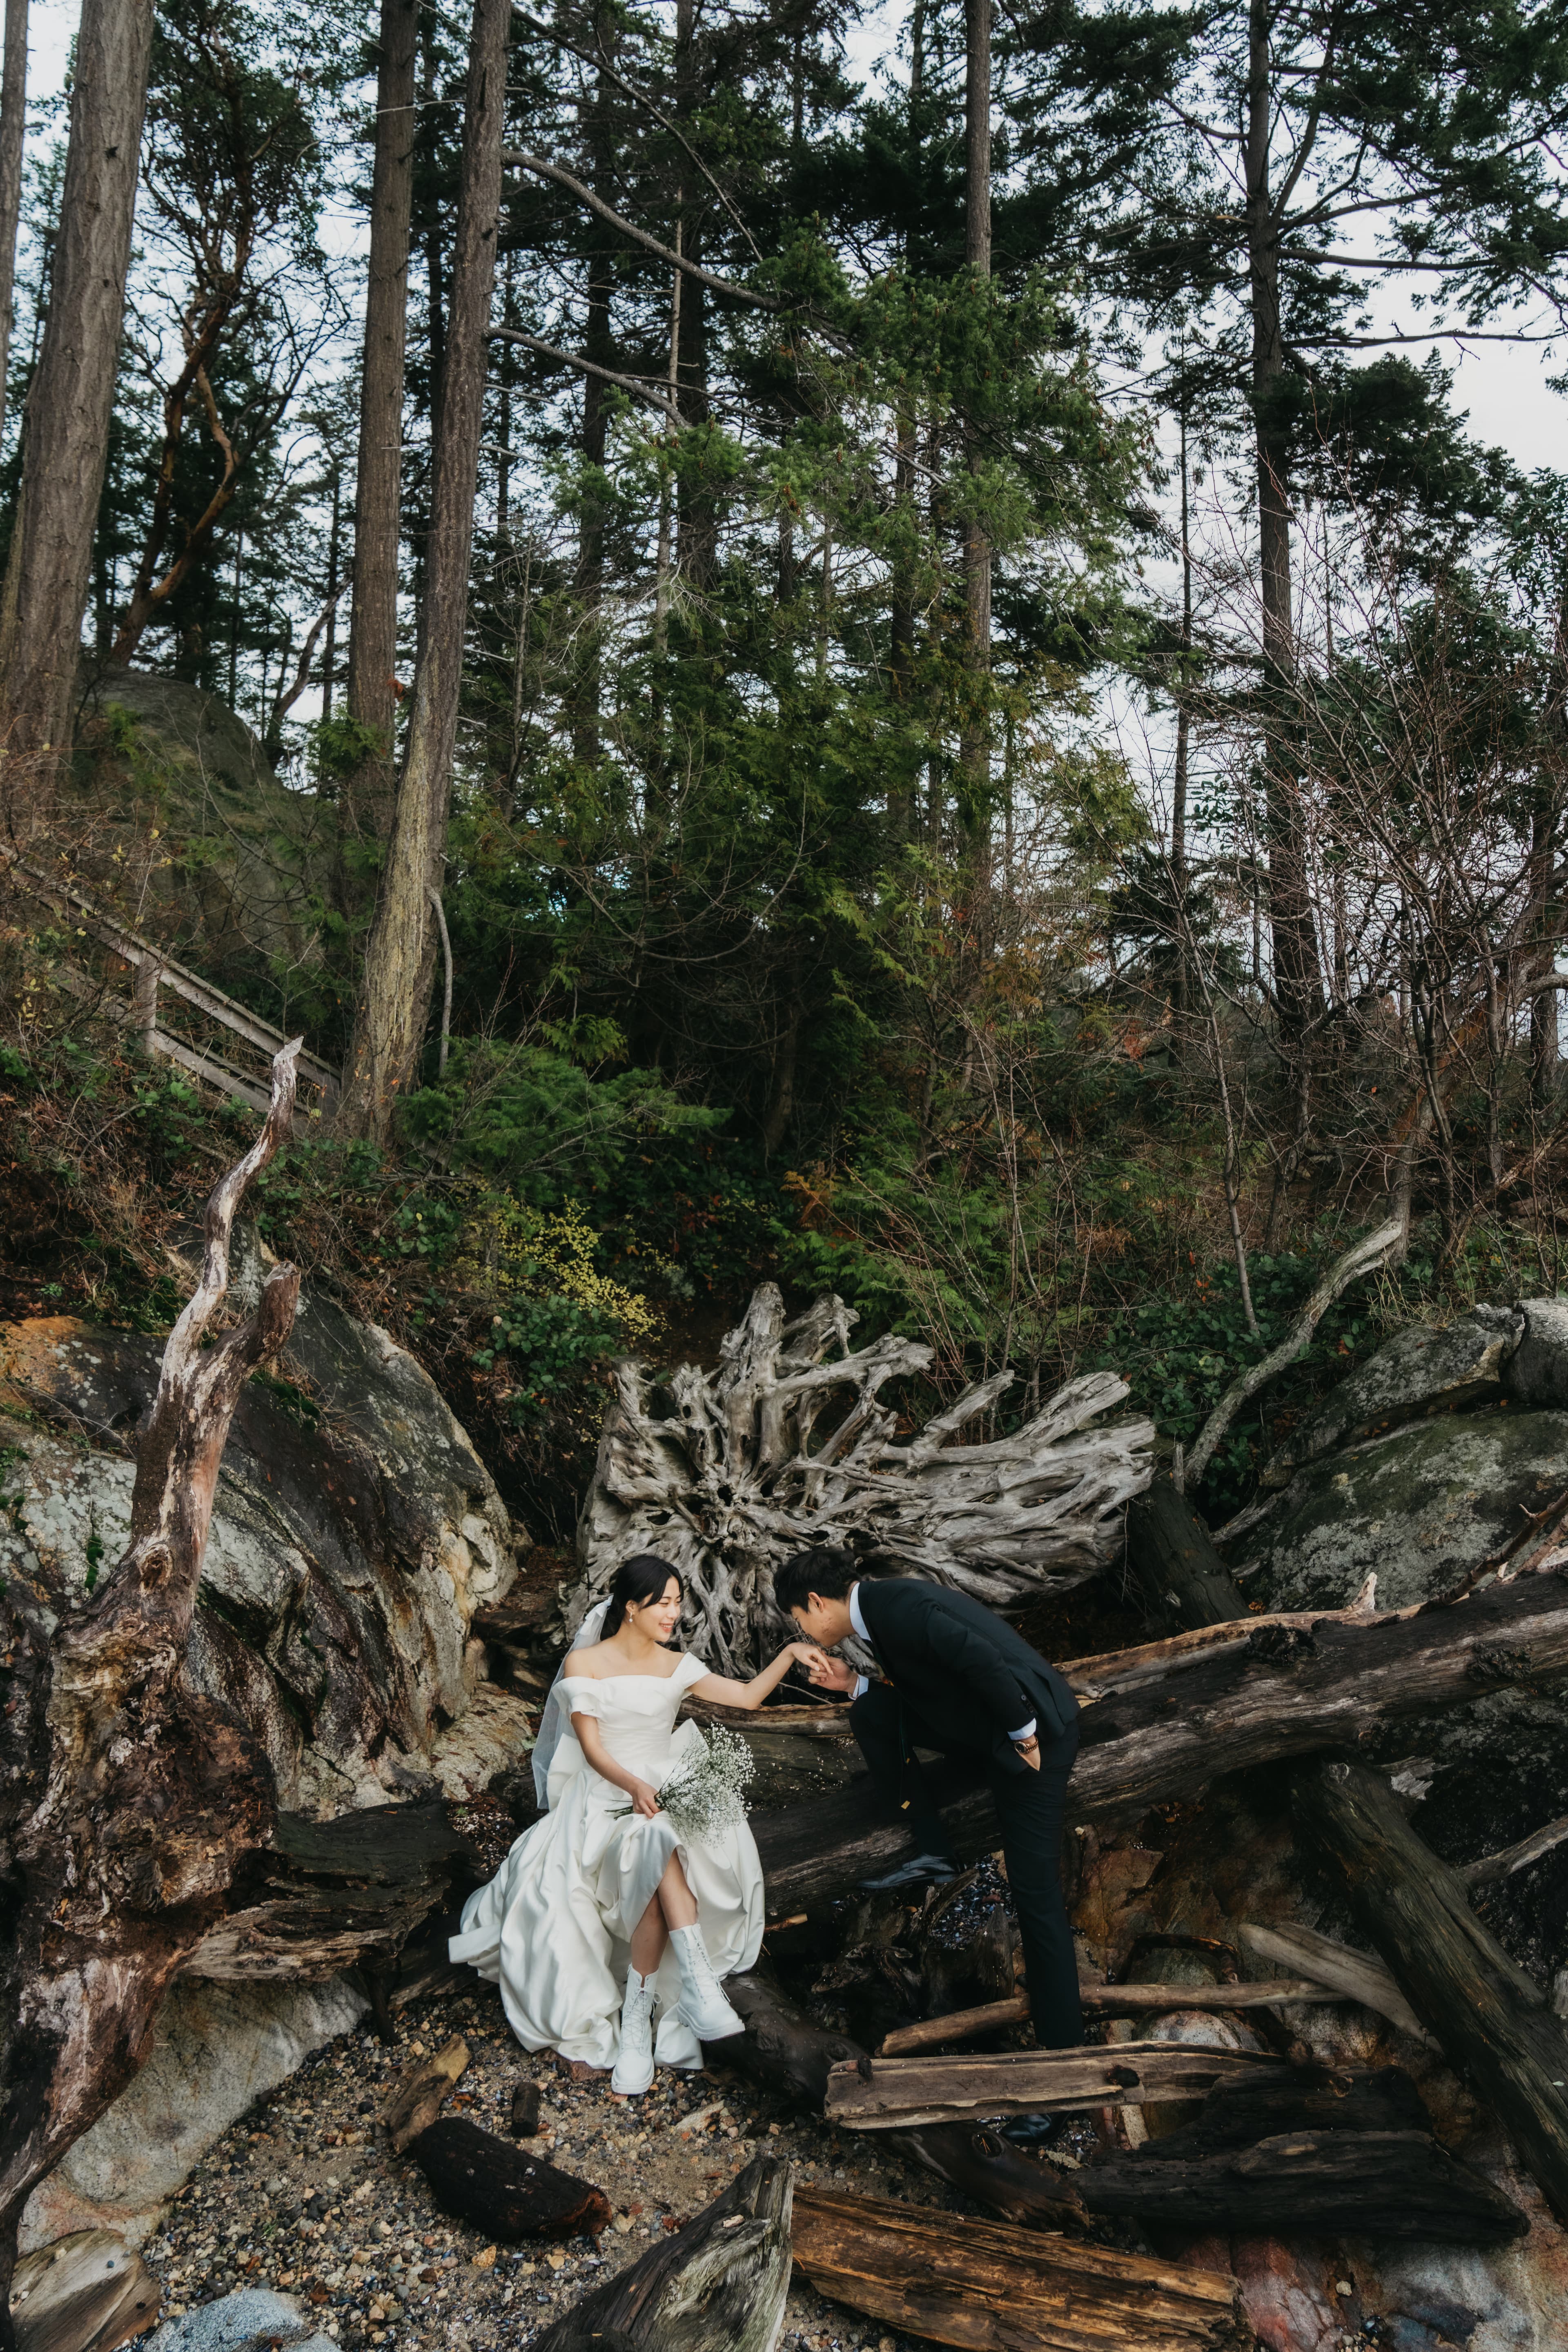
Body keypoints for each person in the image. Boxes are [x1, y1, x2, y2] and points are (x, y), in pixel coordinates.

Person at [449, 1554, 820, 2096]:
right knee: (652, 1837)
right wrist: (634, 1786)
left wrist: (789, 1652)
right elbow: (593, 1750)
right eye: (663, 1603)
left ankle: (648, 2010)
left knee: (657, 1840)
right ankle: (678, 1999)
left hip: (667, 1786)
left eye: (677, 1602)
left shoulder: (676, 1664)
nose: (674, 1613)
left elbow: (745, 1697)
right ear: (630, 1607)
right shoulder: (586, 1665)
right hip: (606, 1793)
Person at [775, 1545, 1083, 2051]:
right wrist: (852, 1682)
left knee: (1037, 1900)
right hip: (985, 1729)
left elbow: (979, 1658)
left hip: (1034, 1738)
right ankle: (933, 1851)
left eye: (799, 1619)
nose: (804, 1631)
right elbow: (934, 1685)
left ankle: (1065, 2061)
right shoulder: (879, 1608)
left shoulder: (898, 1609)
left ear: (816, 1602)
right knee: (870, 1710)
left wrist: (1024, 1735)